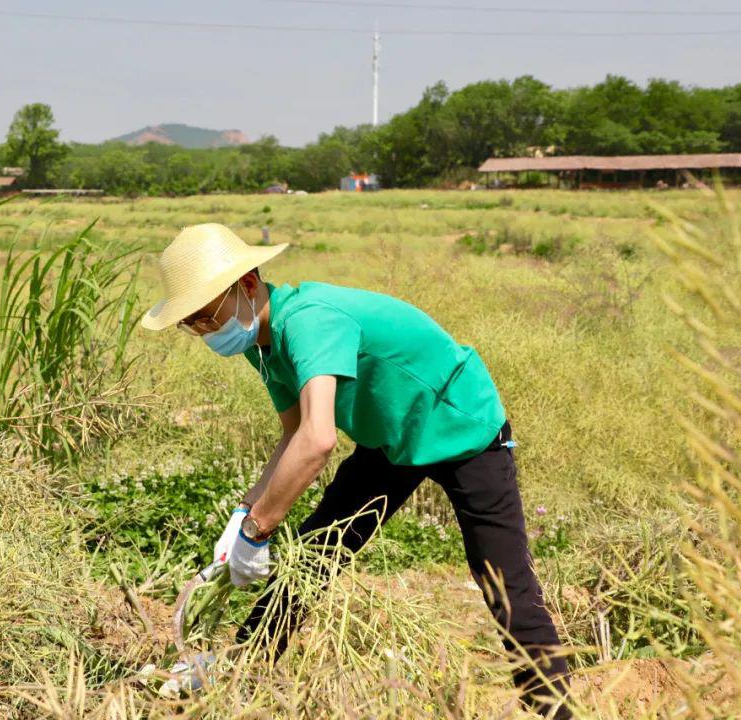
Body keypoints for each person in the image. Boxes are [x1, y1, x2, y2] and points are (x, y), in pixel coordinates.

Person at [140, 223, 572, 718]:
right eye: (190, 324)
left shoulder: (309, 321)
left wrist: (258, 529)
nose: (203, 332)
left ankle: (555, 709)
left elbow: (318, 440)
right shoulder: (261, 345)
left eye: (205, 315)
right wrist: (241, 517)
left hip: (460, 426)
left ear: (248, 285)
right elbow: (292, 433)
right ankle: (242, 671)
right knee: (312, 557)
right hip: (390, 440)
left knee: (503, 580)